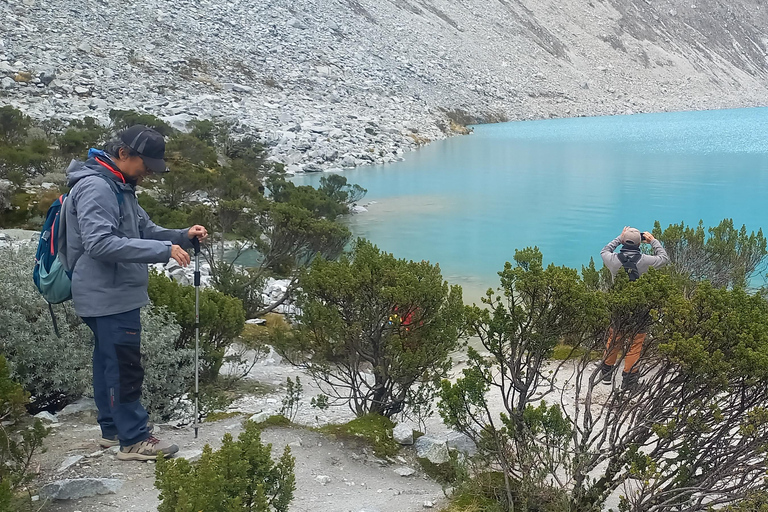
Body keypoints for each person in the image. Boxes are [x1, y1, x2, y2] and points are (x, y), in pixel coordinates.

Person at [61, 125, 208, 461]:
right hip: (107, 294)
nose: (148, 173)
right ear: (124, 154)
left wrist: (182, 236)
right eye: (146, 164)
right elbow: (100, 243)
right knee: (125, 366)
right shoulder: (98, 188)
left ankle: (113, 431)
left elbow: (145, 230)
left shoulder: (119, 186)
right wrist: (163, 251)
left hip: (108, 293)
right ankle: (134, 439)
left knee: (108, 362)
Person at [599, 226, 669, 391]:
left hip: (618, 307)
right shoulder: (645, 260)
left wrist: (620, 237)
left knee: (614, 339)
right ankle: (629, 382)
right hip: (639, 308)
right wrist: (653, 241)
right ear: (640, 243)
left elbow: (604, 250)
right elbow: (664, 258)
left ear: (623, 242)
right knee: (635, 344)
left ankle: (606, 375)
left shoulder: (613, 260)